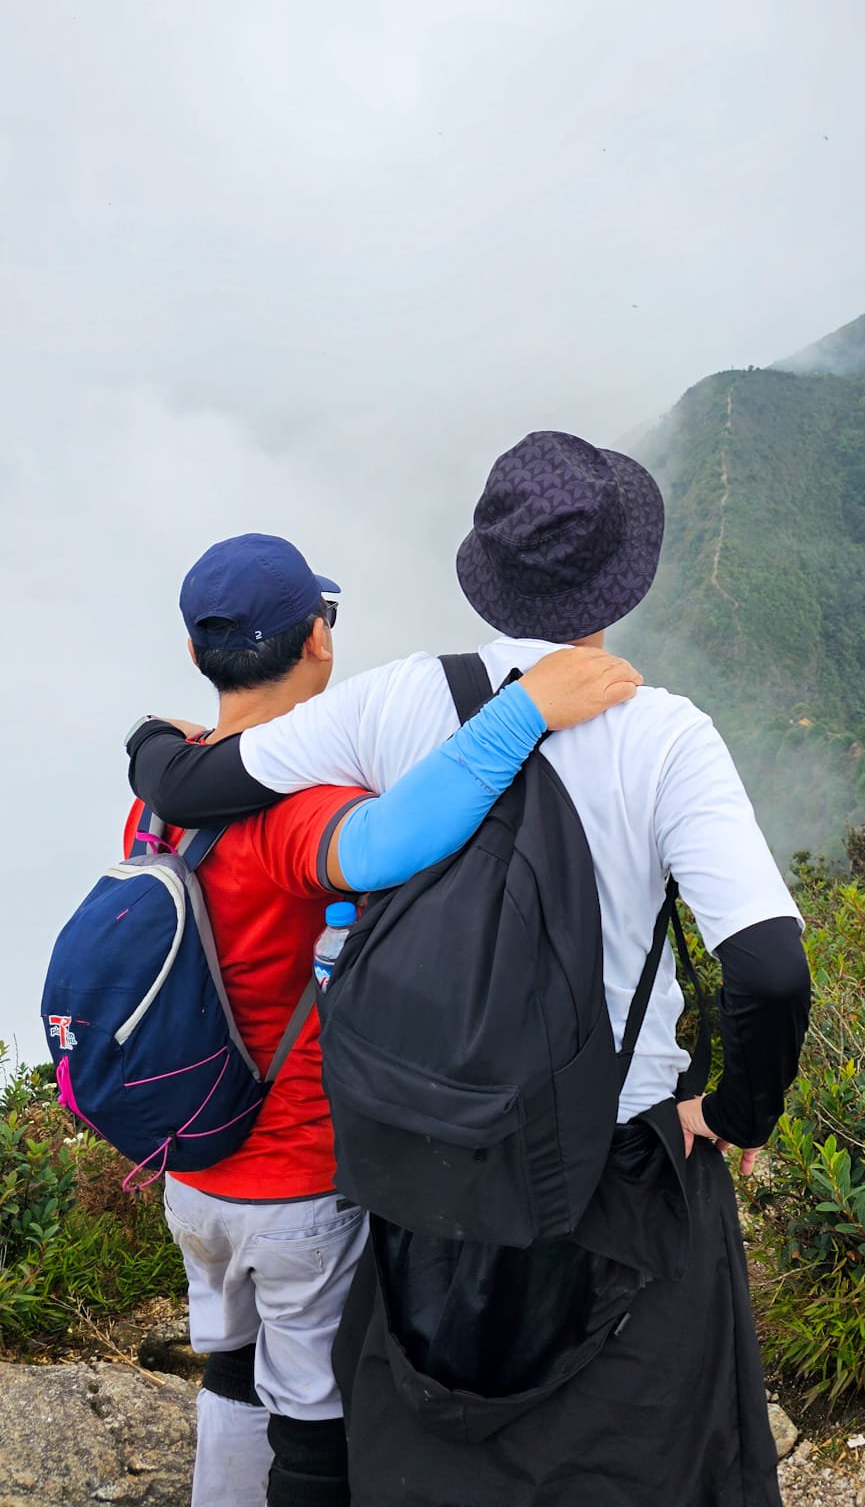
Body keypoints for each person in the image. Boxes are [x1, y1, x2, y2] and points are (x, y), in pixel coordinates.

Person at [127, 437, 812, 1507]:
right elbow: (767, 965)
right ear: (623, 578)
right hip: (617, 1155)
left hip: (422, 1150)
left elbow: (205, 776)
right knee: (641, 1450)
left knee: (431, 1445)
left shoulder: (393, 702)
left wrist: (147, 748)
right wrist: (732, 1110)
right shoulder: (665, 733)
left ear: (486, 568)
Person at [125, 531, 639, 1507]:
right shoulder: (300, 810)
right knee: (314, 1408)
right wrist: (523, 709)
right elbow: (396, 839)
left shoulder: (163, 799)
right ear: (318, 640)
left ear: (200, 652)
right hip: (296, 1180)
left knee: (232, 1367)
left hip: (191, 1169)